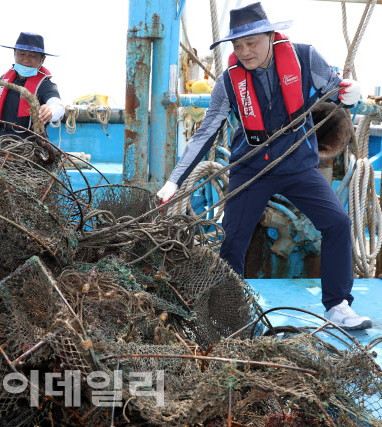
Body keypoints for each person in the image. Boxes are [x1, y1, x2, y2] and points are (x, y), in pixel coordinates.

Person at [156, 2, 372, 330]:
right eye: (237, 45)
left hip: (298, 165)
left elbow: (337, 91)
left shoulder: (304, 57)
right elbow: (206, 131)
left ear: (271, 35)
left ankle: (338, 305)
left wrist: (352, 94)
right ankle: (227, 309)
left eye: (252, 42)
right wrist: (174, 181)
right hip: (250, 167)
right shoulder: (228, 80)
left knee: (337, 222)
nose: (244, 51)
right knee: (233, 239)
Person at [0, 32, 65, 136]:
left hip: (32, 148)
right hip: (2, 144)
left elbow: (58, 106)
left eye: (32, 56)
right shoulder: (7, 78)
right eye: (22, 54)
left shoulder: (45, 85)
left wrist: (50, 111)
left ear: (42, 59)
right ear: (14, 54)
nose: (26, 59)